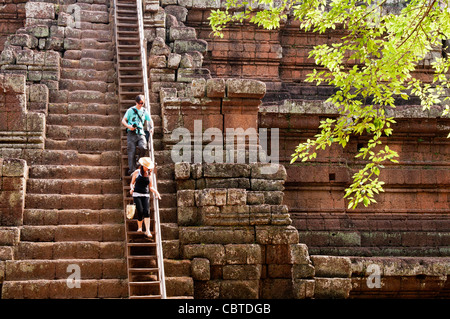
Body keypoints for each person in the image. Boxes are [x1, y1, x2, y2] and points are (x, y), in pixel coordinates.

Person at [122, 95, 154, 175]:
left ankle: (139, 160)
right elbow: (123, 120)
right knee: (131, 152)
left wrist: (152, 128)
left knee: (143, 147)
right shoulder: (130, 110)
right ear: (136, 102)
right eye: (139, 103)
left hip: (141, 133)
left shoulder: (144, 111)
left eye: (142, 103)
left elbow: (150, 120)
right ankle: (132, 170)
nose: (140, 105)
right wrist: (129, 126)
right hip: (131, 133)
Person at [130, 157, 161, 238]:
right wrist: (132, 188)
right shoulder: (137, 172)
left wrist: (157, 193)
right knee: (140, 211)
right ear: (143, 166)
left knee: (146, 211)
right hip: (137, 194)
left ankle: (147, 230)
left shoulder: (149, 174)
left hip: (145, 194)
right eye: (146, 166)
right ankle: (140, 227)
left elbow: (151, 187)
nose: (148, 168)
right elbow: (132, 183)